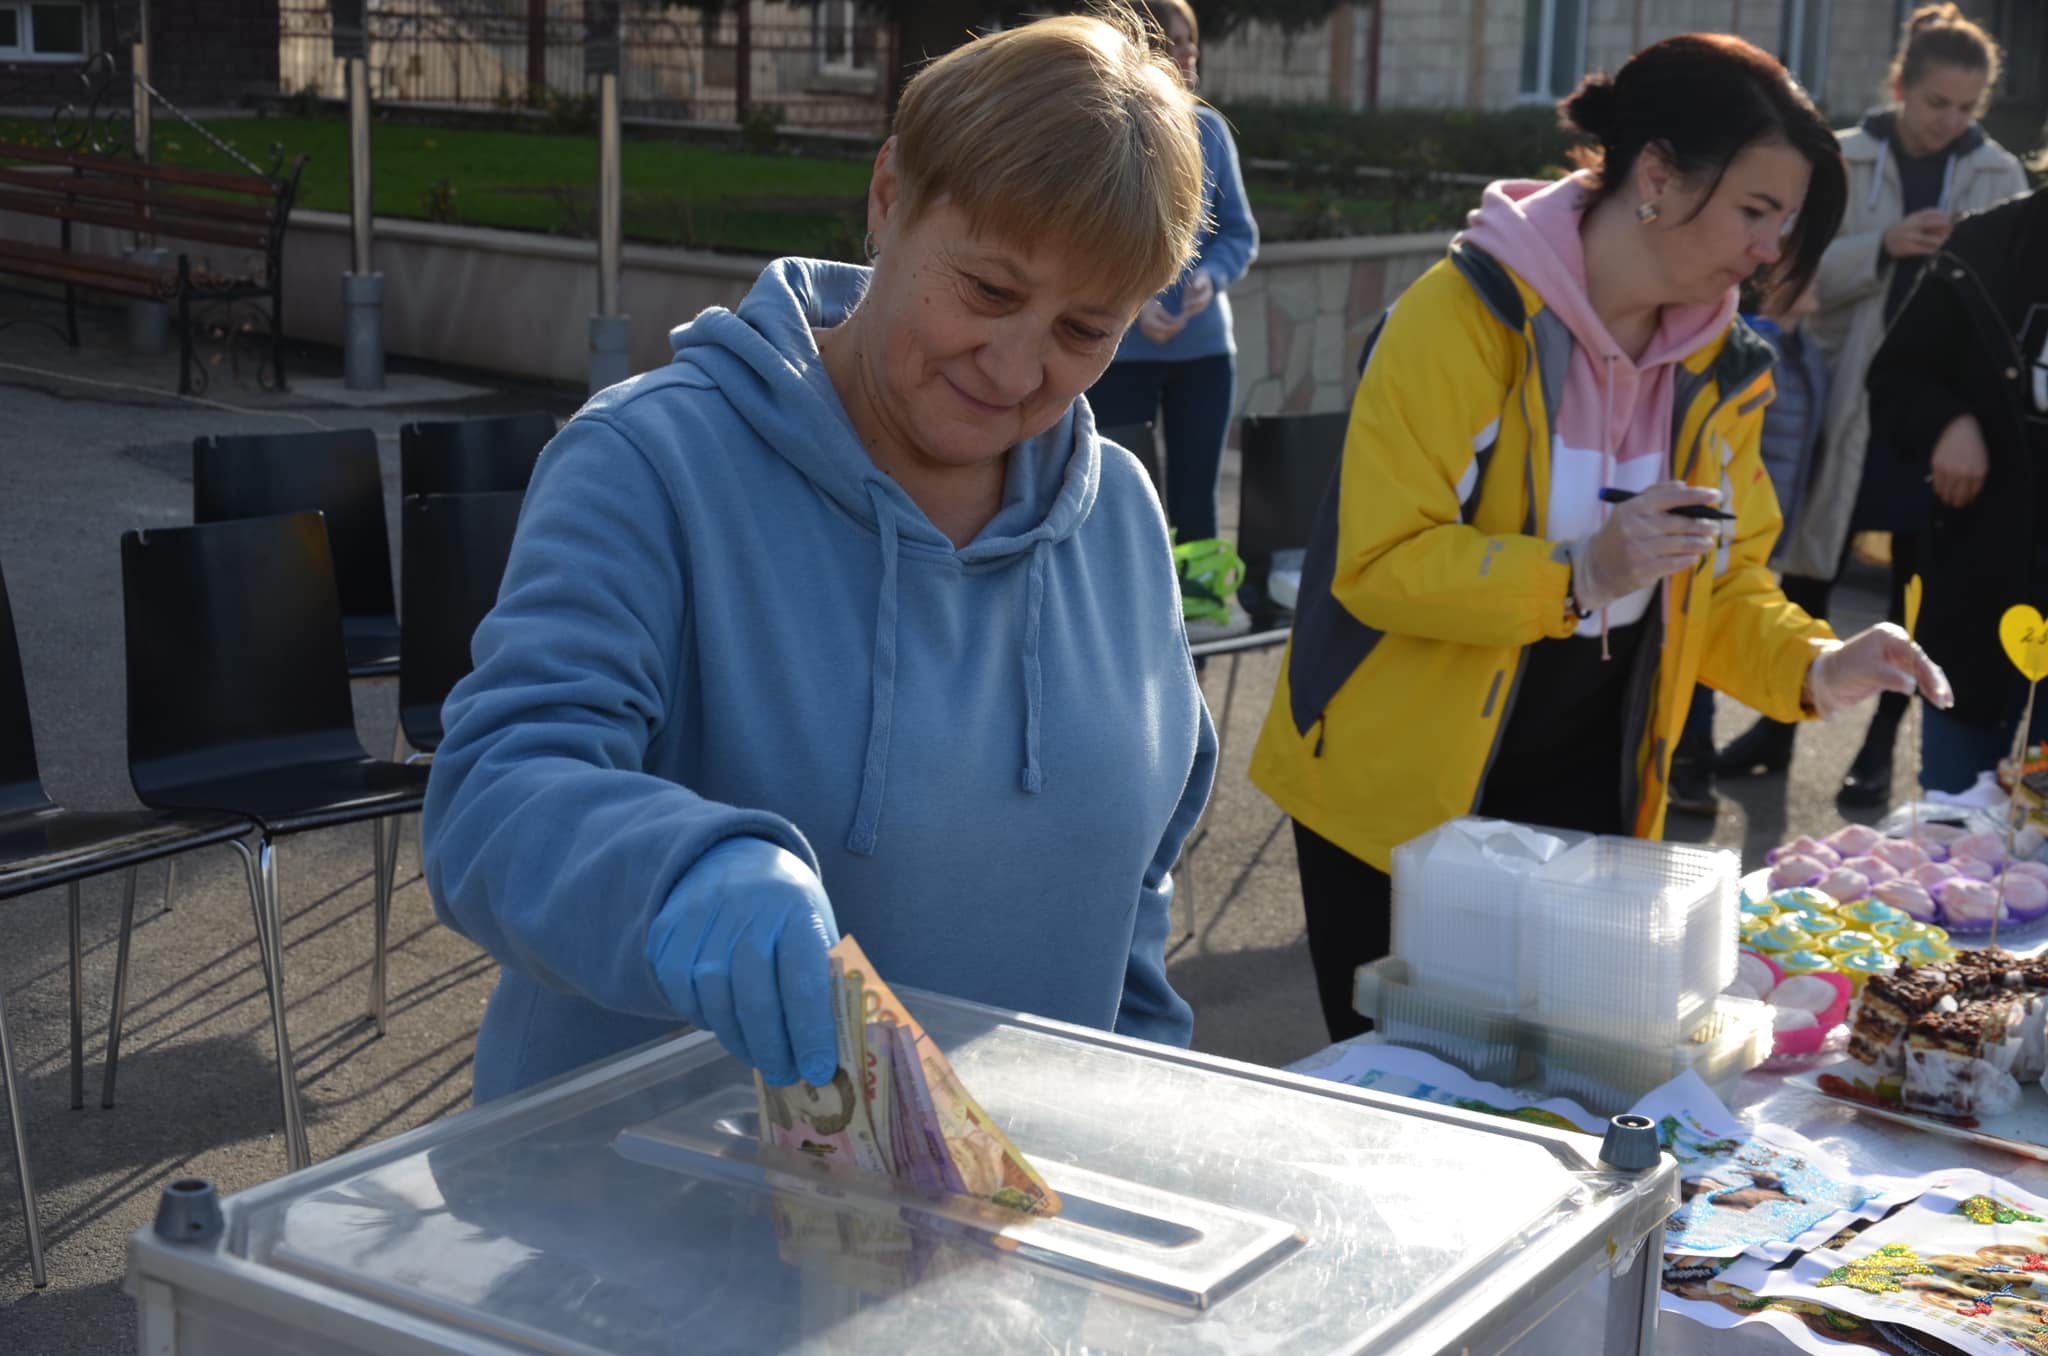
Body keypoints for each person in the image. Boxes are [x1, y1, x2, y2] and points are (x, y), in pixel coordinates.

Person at [421, 14, 1219, 1102]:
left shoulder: (1117, 516)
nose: (1013, 367)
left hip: (993, 1194)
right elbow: (493, 797)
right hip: (636, 1187)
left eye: (1084, 331)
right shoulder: (651, 463)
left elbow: (1136, 882)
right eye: (989, 292)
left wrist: (1144, 1094)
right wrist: (682, 869)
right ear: (889, 197)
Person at [1248, 33, 1954, 1042]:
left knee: (1559, 1096)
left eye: (1785, 223)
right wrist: (1580, 572)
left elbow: (1718, 588)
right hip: (1400, 812)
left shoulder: (1724, 370)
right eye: (1755, 211)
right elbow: (1378, 563)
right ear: (1657, 176)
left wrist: (1817, 664)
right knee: (1405, 1097)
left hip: (1596, 794)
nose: (1769, 249)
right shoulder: (1463, 317)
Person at [1720, 2, 2025, 804]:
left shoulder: (2000, 173)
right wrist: (1882, 248)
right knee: (1807, 567)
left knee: (1915, 584)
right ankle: (1776, 726)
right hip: (1841, 396)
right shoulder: (1842, 157)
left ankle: (1880, 747)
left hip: (1937, 416)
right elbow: (1784, 267)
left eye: (1966, 107)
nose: (1950, 121)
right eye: (1935, 102)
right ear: (1899, 87)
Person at [1866, 177, 2048, 795]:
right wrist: (1948, 424)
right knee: (1953, 819)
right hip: (1981, 576)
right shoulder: (1988, 245)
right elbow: (1896, 378)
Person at [1085, 0, 1259, 641]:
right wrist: (1133, 310)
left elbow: (1238, 234)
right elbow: (1089, 239)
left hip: (1205, 355)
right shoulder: (1104, 130)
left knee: (1195, 495)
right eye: (1174, 40)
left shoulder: (1211, 130)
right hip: (1122, 353)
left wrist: (1212, 277)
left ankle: (1200, 628)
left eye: (1192, 40)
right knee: (1125, 495)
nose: (1189, 52)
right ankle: (1130, 630)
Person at [1669, 271, 1827, 815]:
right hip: (1724, 520)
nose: (1819, 279)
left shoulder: (1799, 350)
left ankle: (1690, 761)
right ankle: (1689, 762)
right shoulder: (1742, 350)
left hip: (1756, 519)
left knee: (1714, 624)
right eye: (1805, 268)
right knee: (1694, 637)